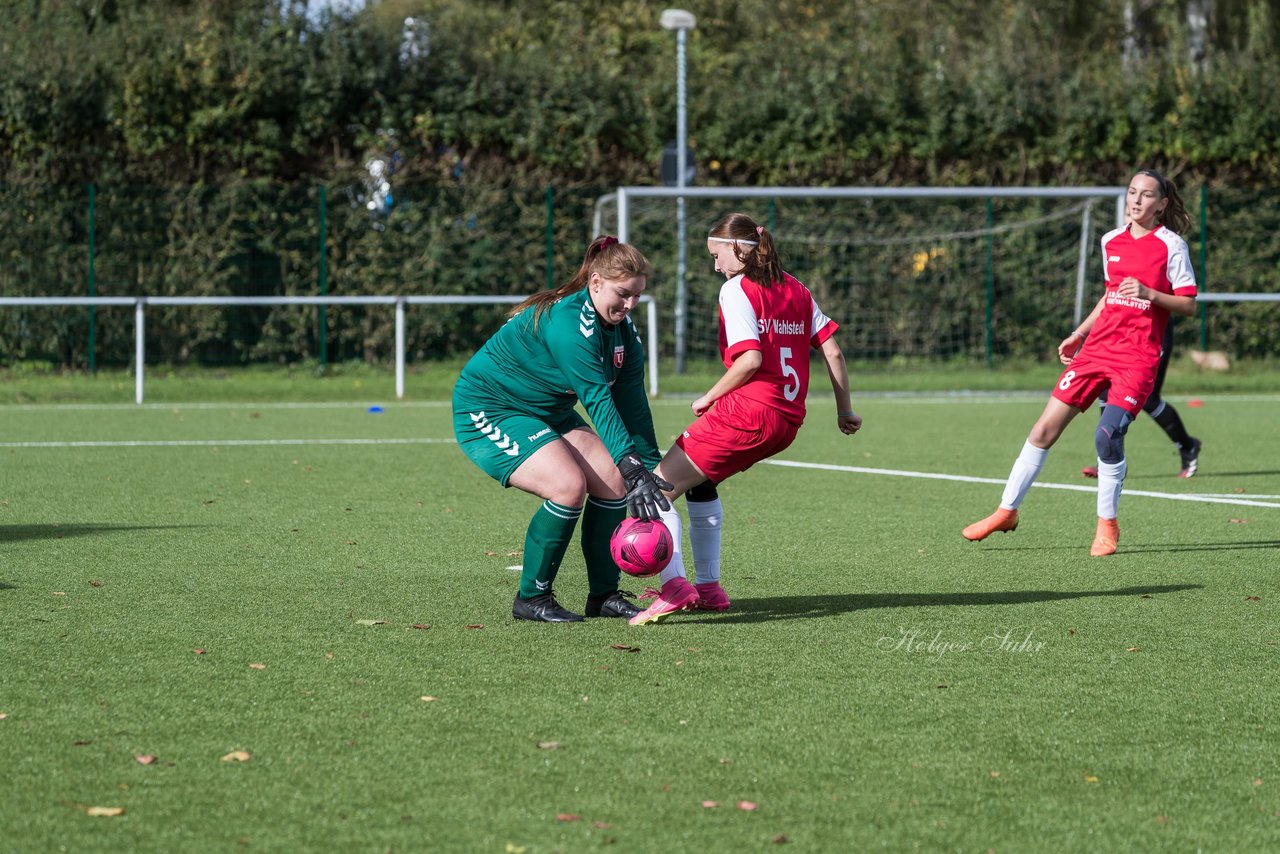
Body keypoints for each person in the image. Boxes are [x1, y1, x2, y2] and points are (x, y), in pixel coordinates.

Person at [627, 213, 863, 626]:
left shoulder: (737, 289)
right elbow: (834, 352)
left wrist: (708, 397)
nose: (715, 265)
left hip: (748, 413)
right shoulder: (797, 288)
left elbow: (750, 359)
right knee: (702, 483)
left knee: (656, 488)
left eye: (716, 255)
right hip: (786, 422)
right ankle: (710, 589)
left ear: (737, 249)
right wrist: (845, 410)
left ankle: (674, 586)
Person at [962, 169, 1198, 556]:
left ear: (1162, 204)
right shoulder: (1111, 241)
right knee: (1042, 431)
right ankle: (1006, 511)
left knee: (1106, 435)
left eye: (1147, 195)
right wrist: (1080, 332)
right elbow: (1110, 296)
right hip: (1097, 350)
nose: (1136, 200)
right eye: (1132, 192)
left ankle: (1107, 525)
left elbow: (1188, 305)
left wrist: (1150, 292)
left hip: (1137, 357)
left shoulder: (1171, 246)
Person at [452, 236, 672, 622]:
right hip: (490, 408)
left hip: (548, 410)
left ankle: (603, 595)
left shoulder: (623, 331)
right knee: (568, 486)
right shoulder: (569, 324)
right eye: (623, 294)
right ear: (596, 282)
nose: (630, 305)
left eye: (637, 296)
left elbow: (632, 401)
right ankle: (532, 598)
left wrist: (649, 468)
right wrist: (631, 464)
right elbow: (597, 399)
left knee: (613, 481)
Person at [1079, 320, 1201, 479]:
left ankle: (1188, 446)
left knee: (1149, 399)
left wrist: (1147, 293)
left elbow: (1185, 304)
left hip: (1154, 333)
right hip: (1122, 330)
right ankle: (1108, 459)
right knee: (1106, 390)